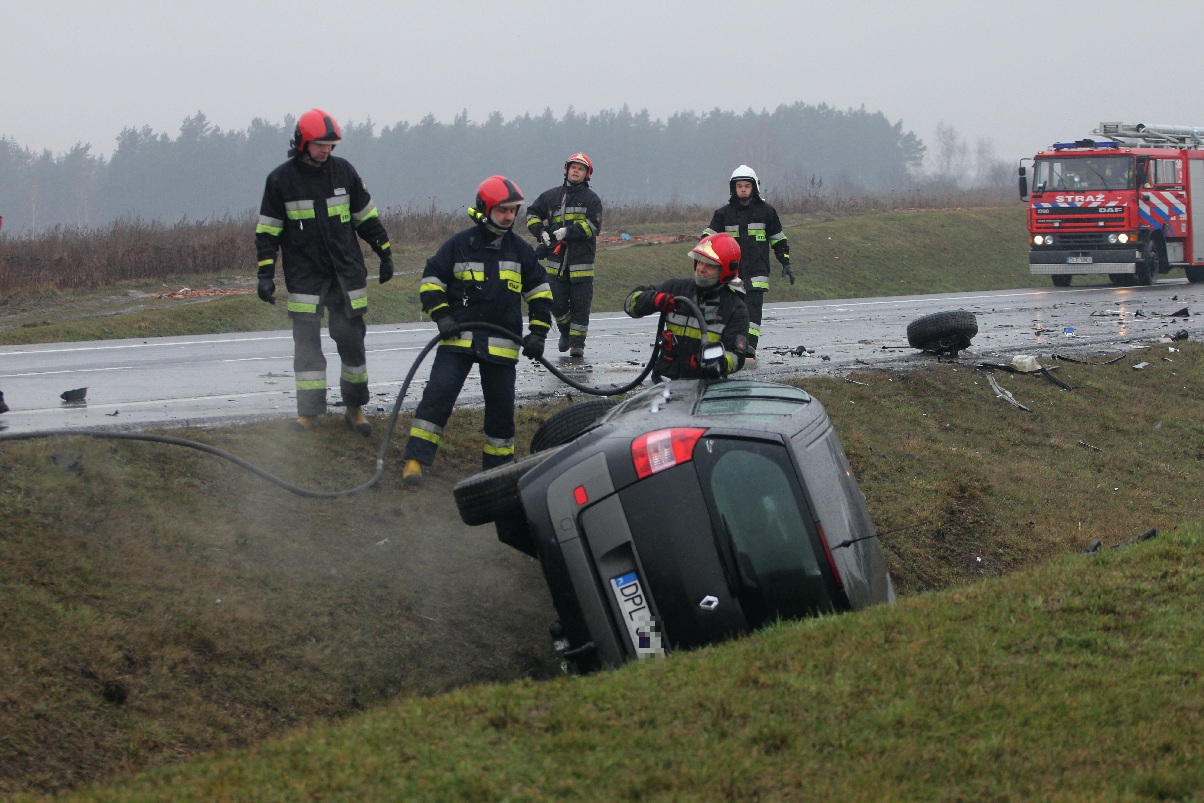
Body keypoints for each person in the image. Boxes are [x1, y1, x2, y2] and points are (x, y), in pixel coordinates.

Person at [401, 176, 554, 486]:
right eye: (503, 211)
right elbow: (432, 281)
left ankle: (498, 473)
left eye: (513, 211)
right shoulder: (458, 246)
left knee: (501, 413)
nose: (510, 217)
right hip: (458, 340)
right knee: (438, 396)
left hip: (501, 345)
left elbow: (540, 294)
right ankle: (415, 460)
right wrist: (442, 315)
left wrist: (538, 334)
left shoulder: (521, 251)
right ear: (485, 209)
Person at [254, 108, 394, 436]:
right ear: (303, 142)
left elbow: (366, 217)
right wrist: (264, 275)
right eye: (320, 144)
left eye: (330, 145)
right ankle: (309, 413)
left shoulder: (344, 172)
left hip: (346, 276)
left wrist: (384, 252)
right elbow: (268, 232)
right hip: (305, 277)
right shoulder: (280, 180)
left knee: (352, 345)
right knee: (306, 348)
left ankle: (355, 409)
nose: (326, 150)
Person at [702, 165, 794, 367]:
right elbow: (708, 239)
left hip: (757, 273)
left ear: (754, 188)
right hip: (731, 274)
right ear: (733, 189)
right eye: (739, 186)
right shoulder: (723, 214)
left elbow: (778, 239)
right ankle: (728, 347)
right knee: (728, 311)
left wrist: (785, 261)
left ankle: (749, 348)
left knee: (752, 314)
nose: (743, 190)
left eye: (746, 186)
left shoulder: (767, 212)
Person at [624, 232, 749, 380]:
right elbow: (629, 304)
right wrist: (654, 300)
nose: (701, 269)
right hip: (664, 383)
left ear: (726, 270)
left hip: (705, 387)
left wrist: (716, 363)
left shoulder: (735, 308)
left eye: (710, 265)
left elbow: (736, 358)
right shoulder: (676, 289)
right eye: (700, 262)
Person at [525, 152, 603, 359]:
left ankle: (577, 345)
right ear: (566, 170)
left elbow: (594, 226)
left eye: (581, 168)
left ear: (587, 175)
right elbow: (532, 214)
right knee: (556, 303)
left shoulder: (591, 200)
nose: (576, 170)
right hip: (555, 263)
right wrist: (540, 232)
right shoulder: (550, 197)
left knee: (580, 307)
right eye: (573, 167)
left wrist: (568, 232)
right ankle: (565, 333)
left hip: (581, 263)